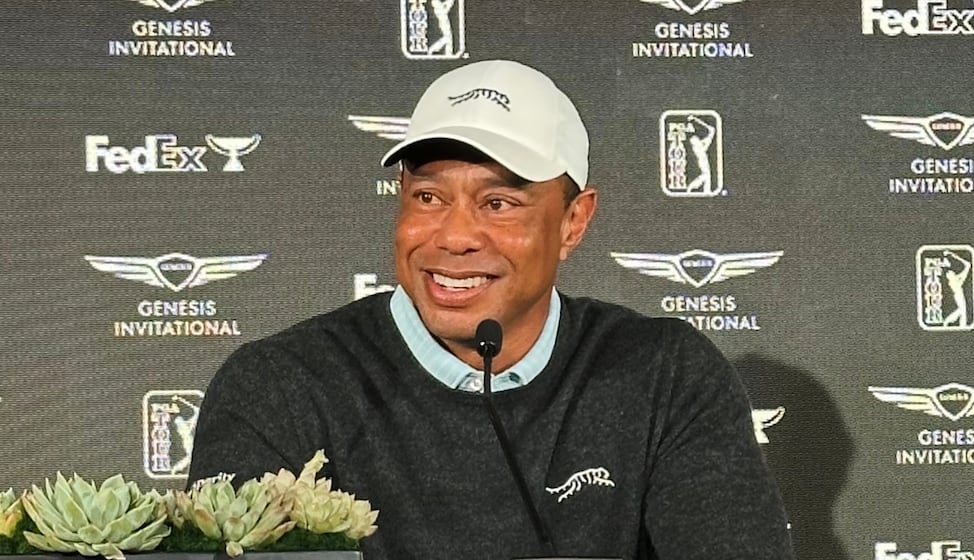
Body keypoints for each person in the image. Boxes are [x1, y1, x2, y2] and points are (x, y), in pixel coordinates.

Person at [188, 59, 795, 559]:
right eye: (428, 196)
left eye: (499, 203)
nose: (454, 237)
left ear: (574, 221)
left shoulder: (665, 373)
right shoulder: (280, 385)